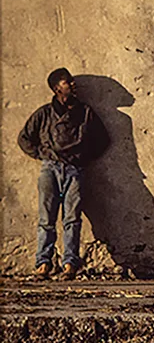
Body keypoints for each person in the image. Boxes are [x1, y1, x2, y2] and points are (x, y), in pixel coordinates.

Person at [18, 68, 110, 279]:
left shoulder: (85, 112)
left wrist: (82, 158)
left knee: (72, 218)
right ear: (56, 88)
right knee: (46, 219)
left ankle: (69, 265)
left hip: (74, 170)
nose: (73, 84)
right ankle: (43, 264)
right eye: (67, 82)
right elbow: (24, 138)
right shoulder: (43, 113)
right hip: (50, 168)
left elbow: (102, 139)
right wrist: (42, 154)